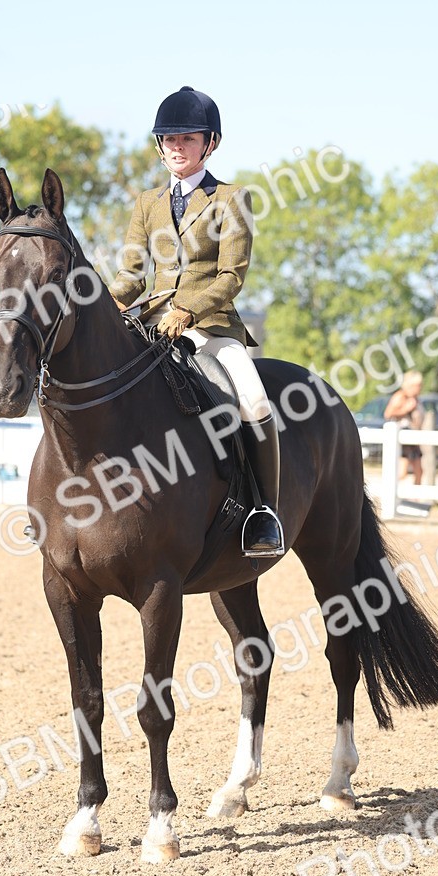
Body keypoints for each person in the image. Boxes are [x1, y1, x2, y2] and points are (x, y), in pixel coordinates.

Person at [108, 86, 284, 557]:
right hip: (152, 322)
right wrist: (104, 302)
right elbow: (131, 274)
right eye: (168, 139)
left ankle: (264, 512)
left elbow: (232, 276)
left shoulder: (231, 199)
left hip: (210, 325)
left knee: (253, 399)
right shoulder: (147, 203)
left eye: (187, 139)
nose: (176, 148)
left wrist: (189, 310)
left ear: (210, 144)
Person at [385, 371, 425, 485]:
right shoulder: (401, 396)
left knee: (419, 471)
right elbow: (388, 414)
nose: (420, 388)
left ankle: (415, 498)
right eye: (418, 385)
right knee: (402, 472)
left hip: (414, 438)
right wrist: (406, 409)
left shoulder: (416, 399)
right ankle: (389, 491)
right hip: (403, 438)